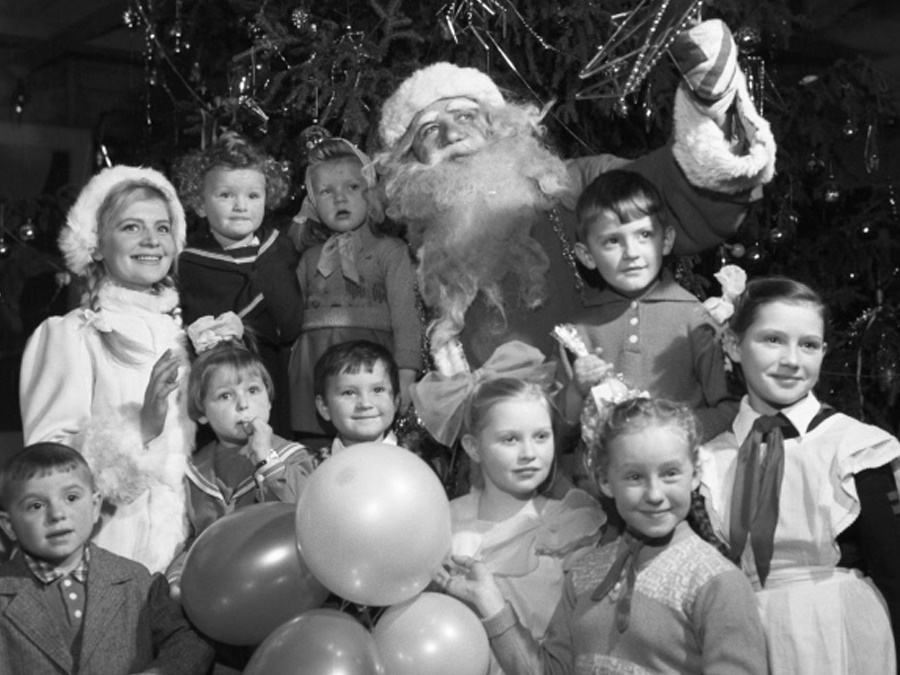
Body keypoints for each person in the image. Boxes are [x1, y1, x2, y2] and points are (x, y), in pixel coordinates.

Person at [375, 19, 776, 376]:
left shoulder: (569, 186)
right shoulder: (414, 252)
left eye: (464, 115)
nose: (452, 134)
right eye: (429, 130)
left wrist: (710, 112)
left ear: (499, 125)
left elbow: (670, 191)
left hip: (611, 401)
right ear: (411, 160)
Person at [437, 397, 768, 674]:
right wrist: (491, 604)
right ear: (606, 481)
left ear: (695, 473)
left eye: (670, 473)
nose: (654, 494)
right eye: (635, 477)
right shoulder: (585, 574)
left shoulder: (718, 582)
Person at [699, 277, 900, 674]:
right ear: (734, 345)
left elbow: (894, 570)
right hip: (750, 641)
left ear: (823, 352)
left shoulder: (856, 447)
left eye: (808, 345)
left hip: (845, 635)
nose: (792, 360)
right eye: (773, 340)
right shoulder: (709, 462)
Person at [19, 166, 192, 574]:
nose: (152, 240)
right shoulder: (72, 335)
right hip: (108, 551)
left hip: (180, 560)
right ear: (95, 244)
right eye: (131, 227)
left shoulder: (180, 335)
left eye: (163, 228)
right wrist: (141, 430)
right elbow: (48, 465)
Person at [414, 341, 604, 675]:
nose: (529, 453)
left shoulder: (569, 526)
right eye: (510, 439)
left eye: (541, 436)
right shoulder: (444, 522)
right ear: (473, 448)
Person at [0, 443, 213, 675]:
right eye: (36, 505)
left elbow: (188, 643)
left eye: (71, 497)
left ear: (94, 507)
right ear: (9, 525)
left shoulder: (138, 582)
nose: (57, 514)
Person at [561, 169, 738, 442]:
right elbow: (556, 431)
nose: (631, 253)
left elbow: (732, 408)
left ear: (665, 241)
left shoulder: (697, 318)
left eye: (643, 235)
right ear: (587, 256)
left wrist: (677, 432)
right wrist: (576, 390)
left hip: (680, 463)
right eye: (612, 241)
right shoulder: (576, 331)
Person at [166, 312, 314, 595]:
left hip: (280, 585)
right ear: (201, 412)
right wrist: (177, 578)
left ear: (269, 400)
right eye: (225, 396)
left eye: (253, 390)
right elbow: (196, 541)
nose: (243, 404)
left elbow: (302, 518)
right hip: (217, 592)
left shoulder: (293, 457)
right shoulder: (194, 471)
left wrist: (266, 459)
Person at [290, 138, 422, 441]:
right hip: (312, 366)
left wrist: (406, 371)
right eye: (326, 191)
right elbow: (291, 315)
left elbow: (406, 316)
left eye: (352, 187)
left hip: (370, 365)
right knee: (315, 446)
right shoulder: (310, 258)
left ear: (371, 194)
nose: (340, 199)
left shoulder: (390, 252)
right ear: (312, 203)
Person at [175, 131, 303, 436]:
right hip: (219, 390)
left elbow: (291, 324)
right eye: (225, 195)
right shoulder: (189, 262)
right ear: (200, 203)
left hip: (273, 378)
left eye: (253, 196)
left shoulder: (280, 250)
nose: (240, 205)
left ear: (267, 199)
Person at [312, 339, 404, 458]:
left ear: (396, 401)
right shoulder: (313, 466)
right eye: (349, 393)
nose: (365, 404)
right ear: (324, 407)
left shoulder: (417, 462)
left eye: (377, 390)